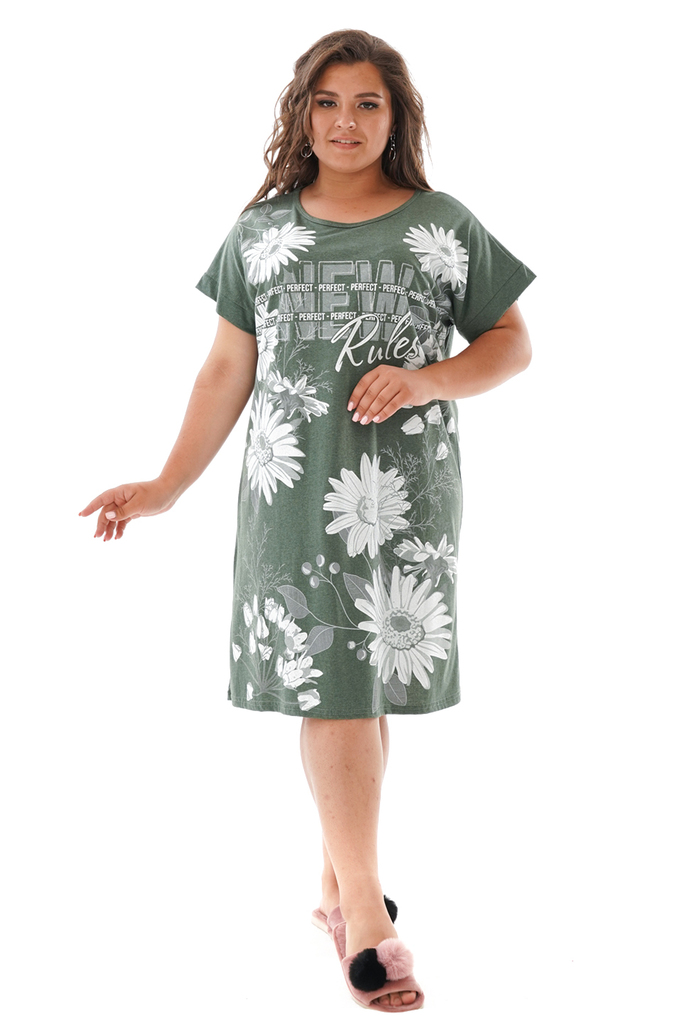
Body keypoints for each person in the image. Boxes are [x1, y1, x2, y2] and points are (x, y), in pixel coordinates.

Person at [79, 29, 535, 1011]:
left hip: (406, 495)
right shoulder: (261, 234)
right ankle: (365, 911)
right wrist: (165, 485)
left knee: (361, 685)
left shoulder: (441, 225)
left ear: (396, 116)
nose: (345, 122)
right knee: (332, 684)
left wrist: (428, 378)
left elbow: (510, 343)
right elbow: (224, 372)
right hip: (291, 490)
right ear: (301, 113)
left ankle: (335, 888)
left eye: (367, 103)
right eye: (327, 102)